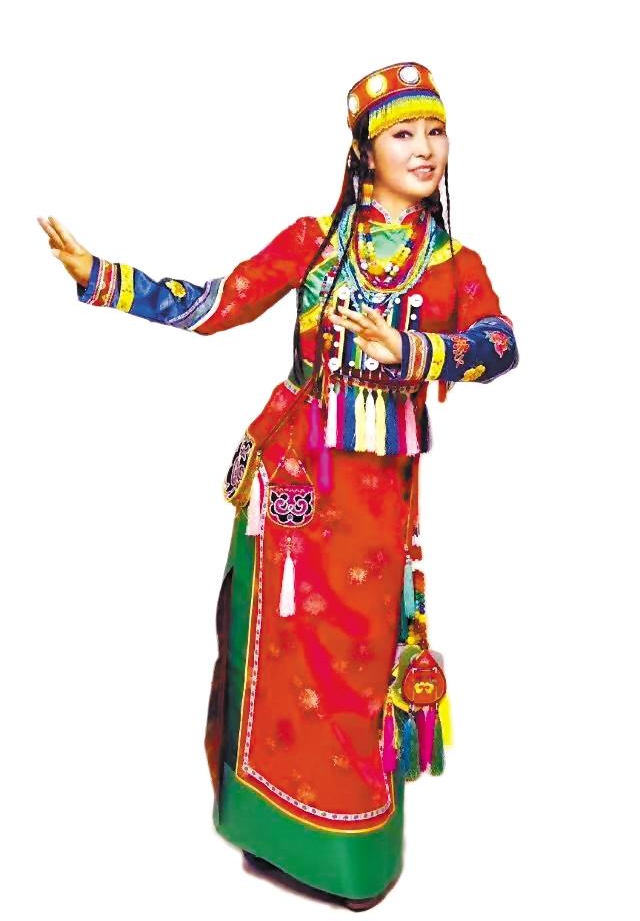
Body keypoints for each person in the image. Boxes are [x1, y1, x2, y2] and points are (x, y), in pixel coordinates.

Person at [36, 60, 519, 911]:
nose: (424, 149)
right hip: (294, 478)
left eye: (436, 132)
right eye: (403, 134)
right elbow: (217, 303)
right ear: (364, 153)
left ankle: (350, 856)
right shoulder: (316, 240)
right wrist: (101, 277)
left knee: (360, 664)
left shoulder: (454, 264)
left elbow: (501, 345)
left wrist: (414, 351)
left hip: (376, 500)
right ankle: (266, 827)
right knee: (278, 644)